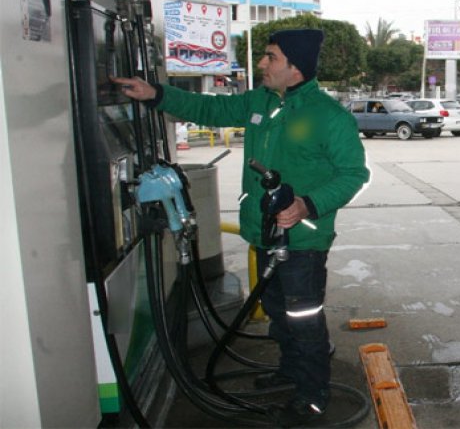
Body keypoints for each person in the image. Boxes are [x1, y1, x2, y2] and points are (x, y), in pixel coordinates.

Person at [112, 28, 370, 424]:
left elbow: (354, 174)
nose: (262, 64)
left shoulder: (328, 116)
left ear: (295, 67)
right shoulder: (260, 102)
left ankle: (313, 393)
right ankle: (289, 371)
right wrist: (157, 94)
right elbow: (209, 109)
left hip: (302, 240)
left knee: (304, 321)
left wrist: (307, 204)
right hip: (264, 232)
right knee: (278, 313)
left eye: (271, 57)